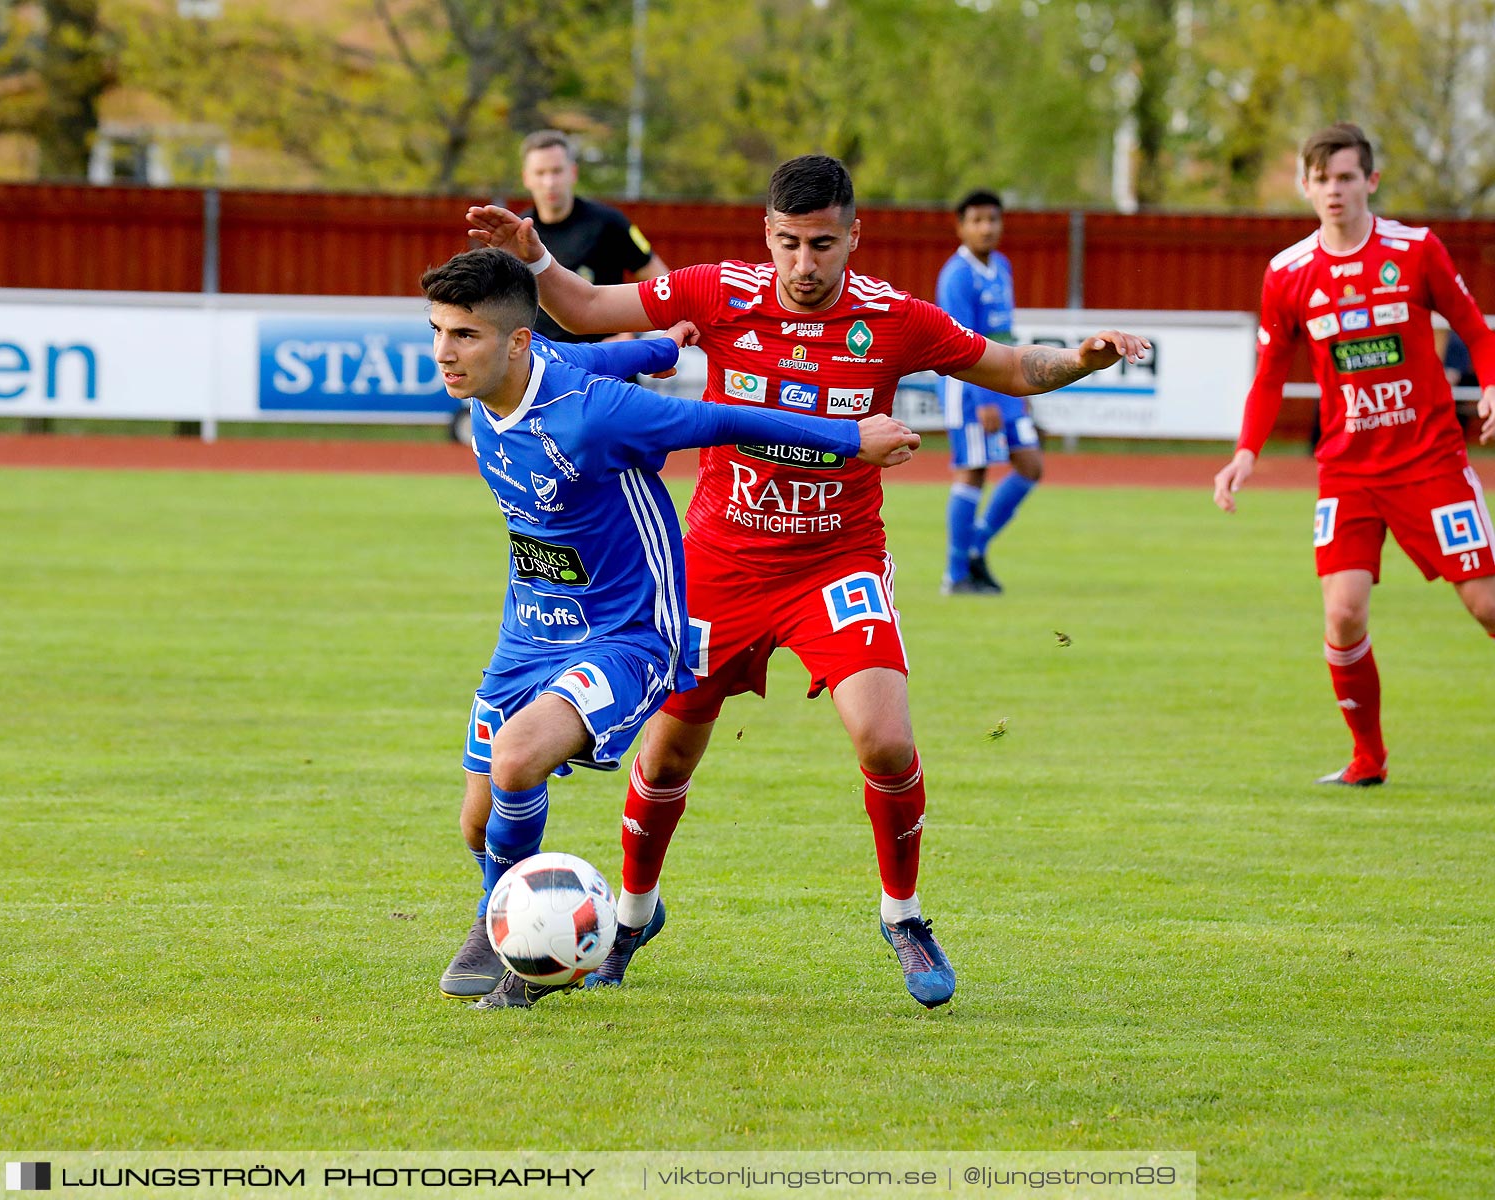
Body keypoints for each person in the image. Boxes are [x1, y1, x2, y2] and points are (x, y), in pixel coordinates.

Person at [466, 155, 1150, 1009]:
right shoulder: (720, 291)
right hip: (717, 561)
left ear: (853, 236)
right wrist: (535, 257)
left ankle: (902, 916)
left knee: (886, 740)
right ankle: (633, 917)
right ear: (767, 235)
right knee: (672, 747)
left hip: (837, 560)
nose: (804, 263)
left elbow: (1011, 366)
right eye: (789, 243)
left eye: (822, 244)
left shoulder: (893, 318)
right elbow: (586, 306)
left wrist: (1083, 358)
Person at [426, 246, 925, 1008]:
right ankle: (506, 908)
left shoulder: (594, 418)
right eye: (438, 332)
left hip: (627, 633)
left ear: (514, 342)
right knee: (477, 822)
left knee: (518, 762)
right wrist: (664, 345)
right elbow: (594, 352)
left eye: (463, 335)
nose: (444, 353)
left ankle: (516, 952)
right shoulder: (499, 378)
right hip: (527, 634)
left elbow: (719, 417)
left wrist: (849, 441)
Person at [1213, 122, 1495, 787]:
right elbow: (1269, 373)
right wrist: (1246, 453)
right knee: (1341, 612)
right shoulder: (1286, 274)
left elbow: (1474, 328)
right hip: (1348, 470)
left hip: (1430, 461)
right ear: (1304, 186)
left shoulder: (1416, 250)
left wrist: (1491, 385)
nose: (1333, 190)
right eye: (1321, 178)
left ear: (1370, 180)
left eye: (1345, 177)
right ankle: (1368, 757)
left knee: (1486, 605)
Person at [936, 189, 1040, 596]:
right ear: (961, 226)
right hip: (970, 387)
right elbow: (962, 343)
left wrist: (1023, 385)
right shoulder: (957, 275)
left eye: (993, 219)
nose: (986, 227)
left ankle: (974, 548)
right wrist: (984, 399)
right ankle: (955, 574)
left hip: (1005, 384)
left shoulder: (1002, 266)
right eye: (977, 220)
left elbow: (1004, 334)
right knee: (974, 472)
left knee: (1030, 465)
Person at [517, 129, 669, 345]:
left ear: (573, 172)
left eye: (557, 171)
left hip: (606, 361)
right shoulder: (519, 234)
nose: (549, 182)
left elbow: (664, 284)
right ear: (526, 178)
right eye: (540, 173)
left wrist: (634, 335)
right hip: (545, 364)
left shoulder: (608, 223)